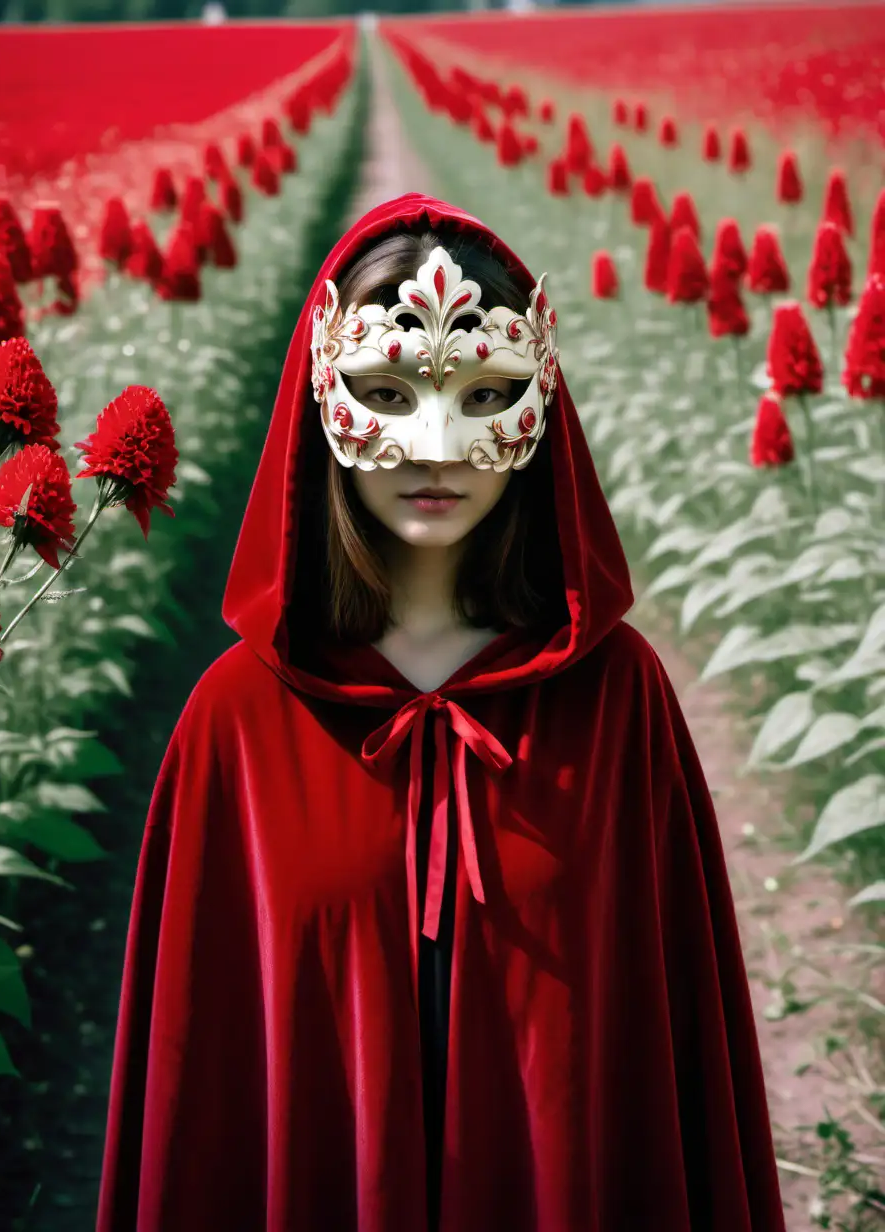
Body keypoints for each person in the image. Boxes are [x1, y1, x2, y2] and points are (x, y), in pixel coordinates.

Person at [96, 193, 786, 1232]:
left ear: (538, 400)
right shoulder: (233, 719)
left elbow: (668, 1041)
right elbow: (201, 1085)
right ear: (321, 402)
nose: (435, 443)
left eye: (482, 394)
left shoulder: (615, 696)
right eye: (384, 389)